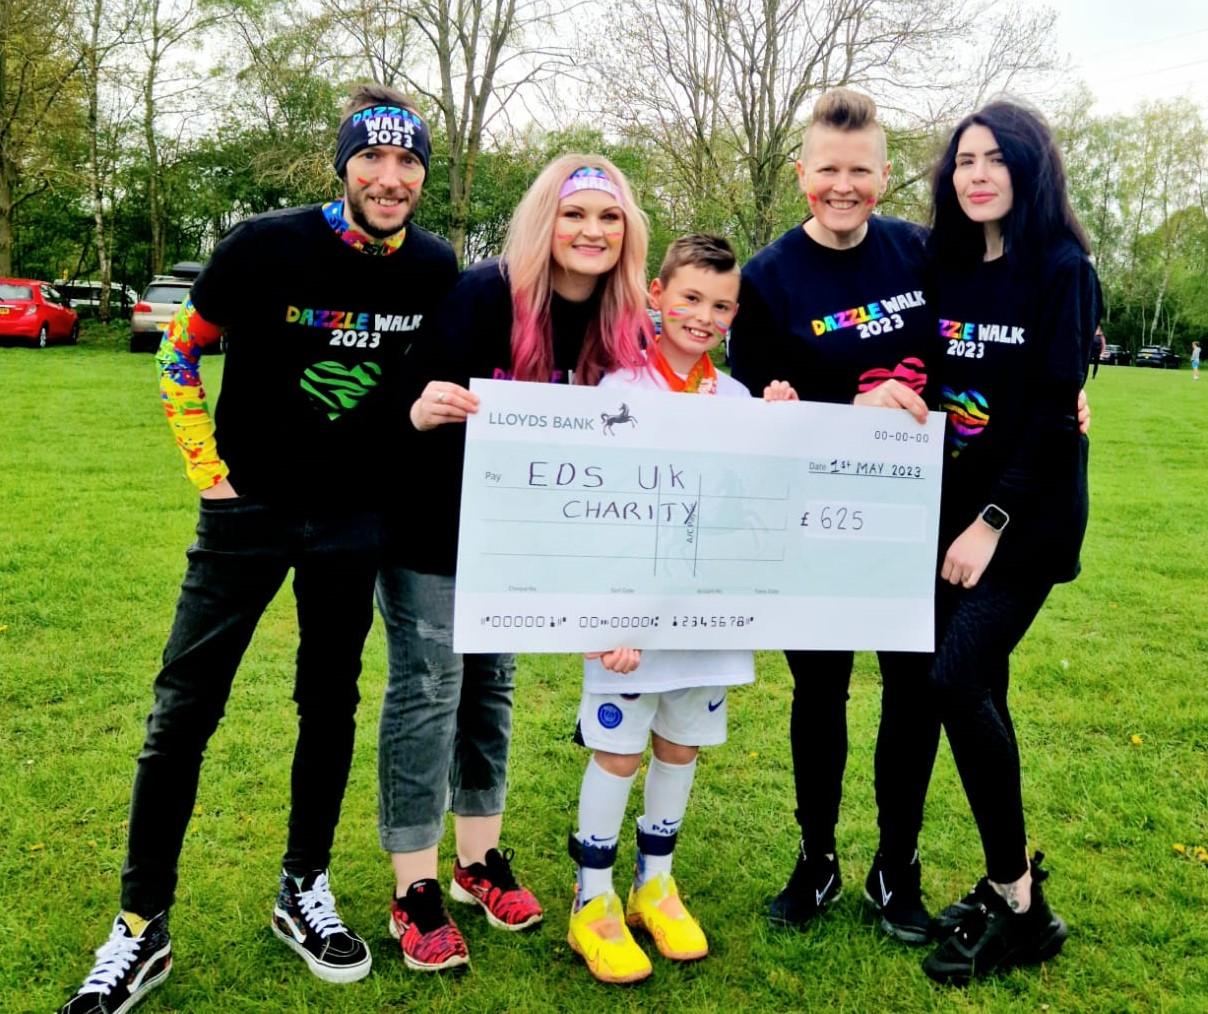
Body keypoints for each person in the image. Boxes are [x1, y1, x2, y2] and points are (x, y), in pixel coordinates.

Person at [55, 84, 458, 1012]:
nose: (390, 178)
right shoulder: (265, 245)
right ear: (345, 164)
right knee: (183, 710)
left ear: (422, 175)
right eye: (374, 159)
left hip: (356, 519)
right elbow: (174, 350)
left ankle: (302, 887)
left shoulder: (434, 266)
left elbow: (453, 371)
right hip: (247, 516)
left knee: (329, 704)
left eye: (408, 163)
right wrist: (208, 471)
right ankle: (138, 927)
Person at [374, 153, 650, 972]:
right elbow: (404, 397)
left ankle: (476, 861)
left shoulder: (625, 318)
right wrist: (422, 408)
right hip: (431, 529)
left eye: (609, 217)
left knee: (490, 690)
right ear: (545, 221)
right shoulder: (485, 295)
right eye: (575, 215)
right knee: (429, 694)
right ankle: (413, 888)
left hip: (525, 547)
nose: (592, 231)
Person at [728, 88, 939, 945]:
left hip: (917, 521)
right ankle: (817, 858)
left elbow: (992, 343)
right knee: (819, 689)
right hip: (815, 520)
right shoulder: (768, 277)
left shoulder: (923, 254)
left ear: (884, 176)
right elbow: (750, 402)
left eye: (860, 171)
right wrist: (781, 400)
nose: (843, 186)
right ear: (801, 174)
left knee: (912, 689)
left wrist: (1066, 383)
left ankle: (898, 864)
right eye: (827, 170)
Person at [917, 100, 1098, 984]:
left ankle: (1016, 899)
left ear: (1029, 169)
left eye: (994, 158)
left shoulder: (1062, 268)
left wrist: (991, 525)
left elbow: (1058, 416)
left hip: (1023, 524)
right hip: (951, 516)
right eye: (962, 160)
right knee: (981, 687)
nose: (976, 173)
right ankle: (1017, 894)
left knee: (952, 677)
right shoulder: (946, 265)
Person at [564, 234, 752, 984]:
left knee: (681, 747)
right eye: (691, 299)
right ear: (658, 297)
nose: (703, 316)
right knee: (619, 750)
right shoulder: (616, 392)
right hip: (628, 630)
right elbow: (591, 511)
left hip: (705, 620)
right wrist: (604, 617)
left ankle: (655, 884)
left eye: (721, 305)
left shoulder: (737, 401)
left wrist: (782, 423)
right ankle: (593, 899)